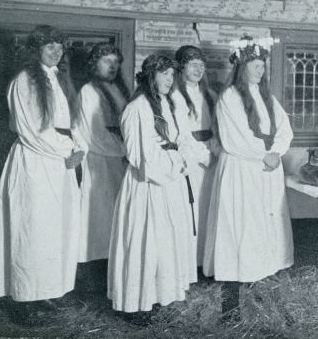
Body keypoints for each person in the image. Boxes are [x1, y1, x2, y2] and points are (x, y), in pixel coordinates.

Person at [202, 36, 294, 322]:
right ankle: (231, 302)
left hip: (267, 168)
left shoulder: (268, 97)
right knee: (240, 226)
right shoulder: (230, 97)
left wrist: (277, 151)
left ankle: (259, 277)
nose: (258, 69)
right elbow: (235, 137)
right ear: (241, 67)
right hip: (243, 169)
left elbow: (284, 128)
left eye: (261, 64)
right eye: (253, 64)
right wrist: (263, 155)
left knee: (263, 226)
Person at [0, 25, 84, 323]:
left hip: (59, 164)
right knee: (32, 231)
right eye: (49, 46)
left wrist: (78, 147)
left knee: (52, 231)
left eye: (60, 46)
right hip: (35, 163)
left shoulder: (58, 80)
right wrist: (67, 149)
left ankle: (43, 290)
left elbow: (70, 124)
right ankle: (22, 298)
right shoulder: (25, 81)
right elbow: (33, 130)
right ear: (35, 49)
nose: (56, 51)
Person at [107, 54, 203, 324]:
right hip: (148, 185)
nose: (169, 80)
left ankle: (157, 295)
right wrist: (175, 163)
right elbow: (141, 157)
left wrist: (185, 157)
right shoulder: (137, 108)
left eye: (172, 75)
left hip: (169, 183)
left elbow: (182, 138)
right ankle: (135, 305)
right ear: (150, 76)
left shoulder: (169, 103)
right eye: (164, 74)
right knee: (145, 242)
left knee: (164, 243)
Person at [76, 43, 130, 288]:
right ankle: (96, 275)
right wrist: (124, 150)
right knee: (101, 217)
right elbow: (93, 133)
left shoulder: (120, 90)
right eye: (106, 61)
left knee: (119, 216)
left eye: (115, 62)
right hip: (101, 160)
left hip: (121, 160)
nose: (112, 67)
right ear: (94, 64)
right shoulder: (88, 91)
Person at [171, 45, 219, 271]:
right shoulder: (175, 96)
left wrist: (214, 151)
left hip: (212, 155)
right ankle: (189, 265)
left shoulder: (210, 95)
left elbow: (218, 129)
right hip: (190, 158)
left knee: (209, 208)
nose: (198, 69)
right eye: (193, 64)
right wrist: (202, 155)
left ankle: (205, 262)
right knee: (191, 209)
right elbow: (182, 133)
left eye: (201, 65)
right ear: (181, 68)